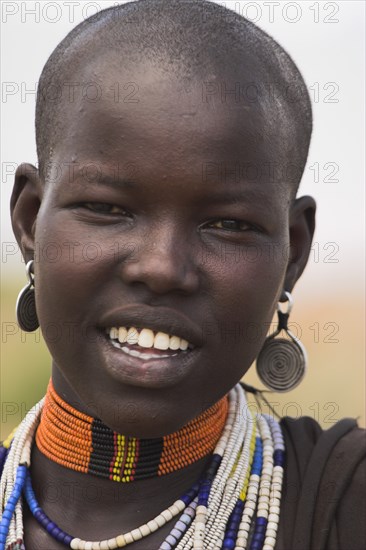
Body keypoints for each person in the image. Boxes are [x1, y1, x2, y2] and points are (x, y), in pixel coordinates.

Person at [1, 0, 365, 549]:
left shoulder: (346, 505)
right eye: (108, 209)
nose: (162, 267)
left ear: (293, 251)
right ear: (30, 220)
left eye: (227, 224)